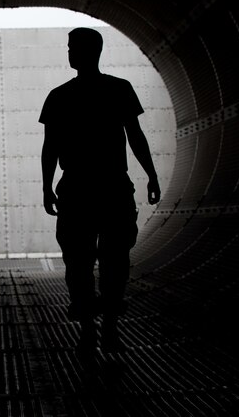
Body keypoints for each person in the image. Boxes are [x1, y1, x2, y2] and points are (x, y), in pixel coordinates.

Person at [39, 27, 161, 352]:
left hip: (77, 190)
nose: (68, 53)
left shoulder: (59, 96)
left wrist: (47, 187)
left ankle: (89, 330)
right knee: (115, 260)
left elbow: (50, 147)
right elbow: (135, 136)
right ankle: (108, 328)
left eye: (71, 47)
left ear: (87, 51)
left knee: (78, 262)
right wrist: (151, 175)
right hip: (113, 188)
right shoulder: (119, 89)